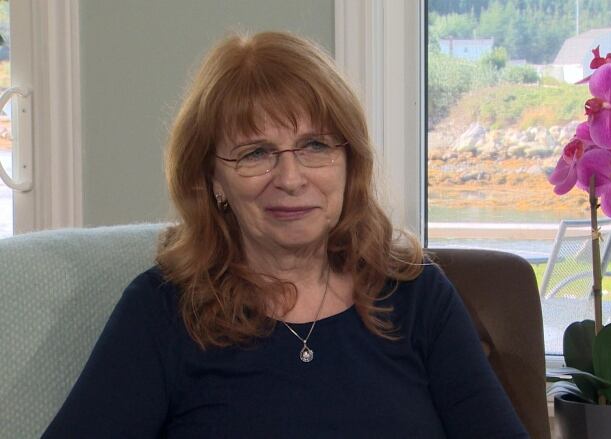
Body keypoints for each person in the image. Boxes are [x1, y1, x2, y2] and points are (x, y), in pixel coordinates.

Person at [43, 31, 529, 438]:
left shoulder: (417, 295)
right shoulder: (164, 312)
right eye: (255, 153)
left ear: (349, 163)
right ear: (213, 179)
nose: (291, 178)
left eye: (315, 145)